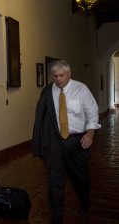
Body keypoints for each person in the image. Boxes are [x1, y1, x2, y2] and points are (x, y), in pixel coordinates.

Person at [32, 60, 101, 223]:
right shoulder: (48, 91)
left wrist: (90, 134)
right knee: (54, 179)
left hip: (77, 141)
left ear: (69, 74)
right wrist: (40, 142)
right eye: (55, 76)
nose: (58, 79)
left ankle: (84, 200)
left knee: (80, 177)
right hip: (55, 142)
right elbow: (40, 117)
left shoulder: (81, 89)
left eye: (62, 76)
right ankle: (57, 215)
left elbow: (93, 112)